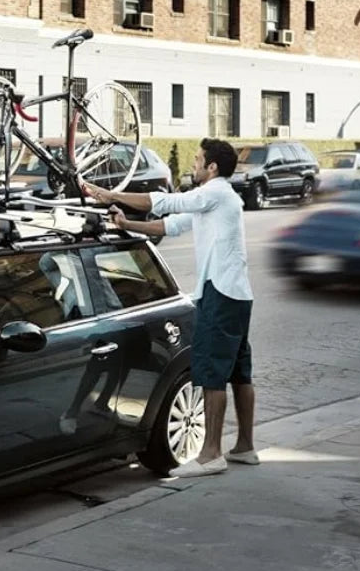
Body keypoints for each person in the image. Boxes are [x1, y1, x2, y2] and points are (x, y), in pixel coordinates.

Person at [82, 138, 257, 478]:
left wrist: (112, 194)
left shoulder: (216, 193)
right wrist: (128, 223)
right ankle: (245, 447)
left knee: (211, 373)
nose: (193, 164)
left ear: (212, 168)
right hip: (234, 295)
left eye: (198, 160)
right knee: (238, 370)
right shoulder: (217, 201)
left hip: (220, 295)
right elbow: (170, 224)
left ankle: (211, 454)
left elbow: (166, 202)